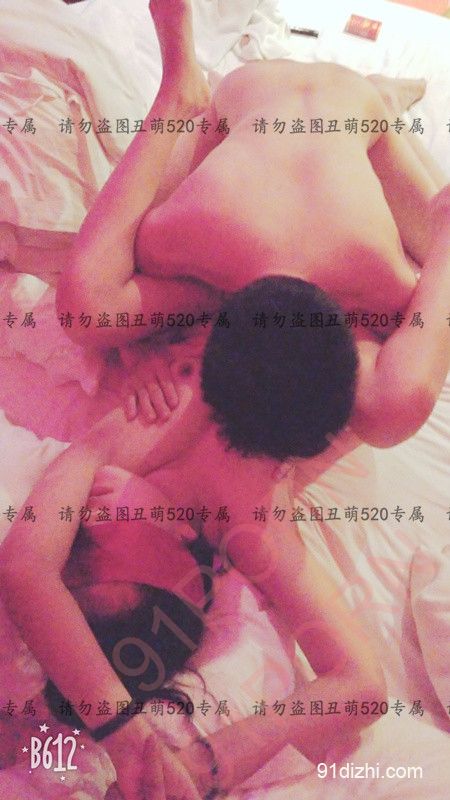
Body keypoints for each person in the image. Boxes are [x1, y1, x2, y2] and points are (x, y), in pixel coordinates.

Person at [57, 0, 450, 453]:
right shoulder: (384, 286)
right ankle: (179, 96)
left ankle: (179, 95)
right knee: (88, 308)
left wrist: (139, 348)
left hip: (329, 99)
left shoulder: (383, 286)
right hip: (280, 98)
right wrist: (137, 349)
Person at [0, 355, 386, 800]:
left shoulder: (114, 446)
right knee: (393, 401)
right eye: (99, 566)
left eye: (76, 561)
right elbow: (363, 685)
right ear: (187, 579)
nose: (86, 529)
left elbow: (26, 568)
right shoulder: (252, 521)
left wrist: (125, 737)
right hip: (308, 345)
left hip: (201, 335)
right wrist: (202, 766)